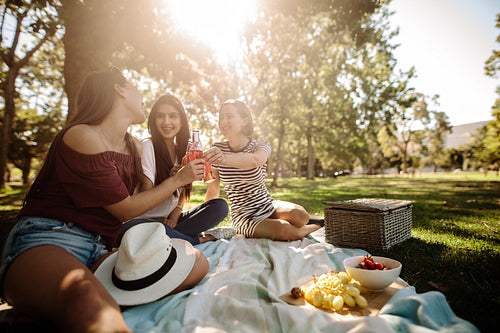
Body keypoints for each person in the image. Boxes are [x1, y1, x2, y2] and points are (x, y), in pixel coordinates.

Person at [0, 67, 208, 333]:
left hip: (101, 249)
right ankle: (71, 304)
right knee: (88, 301)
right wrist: (176, 182)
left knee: (197, 262)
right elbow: (125, 210)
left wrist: (172, 178)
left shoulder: (133, 146)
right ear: (118, 89)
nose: (142, 95)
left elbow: (138, 199)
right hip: (50, 239)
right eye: (134, 86)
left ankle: (50, 310)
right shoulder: (82, 135)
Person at [204, 100, 322, 241]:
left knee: (301, 215)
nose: (223, 121)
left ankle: (305, 225)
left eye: (229, 116)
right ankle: (317, 226)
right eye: (221, 118)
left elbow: (255, 160)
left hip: (267, 204)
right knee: (284, 230)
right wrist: (206, 220)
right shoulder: (218, 149)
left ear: (245, 120)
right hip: (244, 216)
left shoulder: (260, 146)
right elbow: (213, 188)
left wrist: (223, 159)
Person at [125, 94, 228, 245]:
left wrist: (174, 216)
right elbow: (145, 196)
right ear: (154, 120)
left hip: (168, 221)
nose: (166, 122)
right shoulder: (148, 147)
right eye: (160, 116)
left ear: (181, 122)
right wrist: (172, 181)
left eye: (173, 116)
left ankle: (171, 237)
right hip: (144, 222)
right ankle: (196, 240)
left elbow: (182, 193)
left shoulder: (184, 151)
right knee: (157, 230)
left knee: (220, 207)